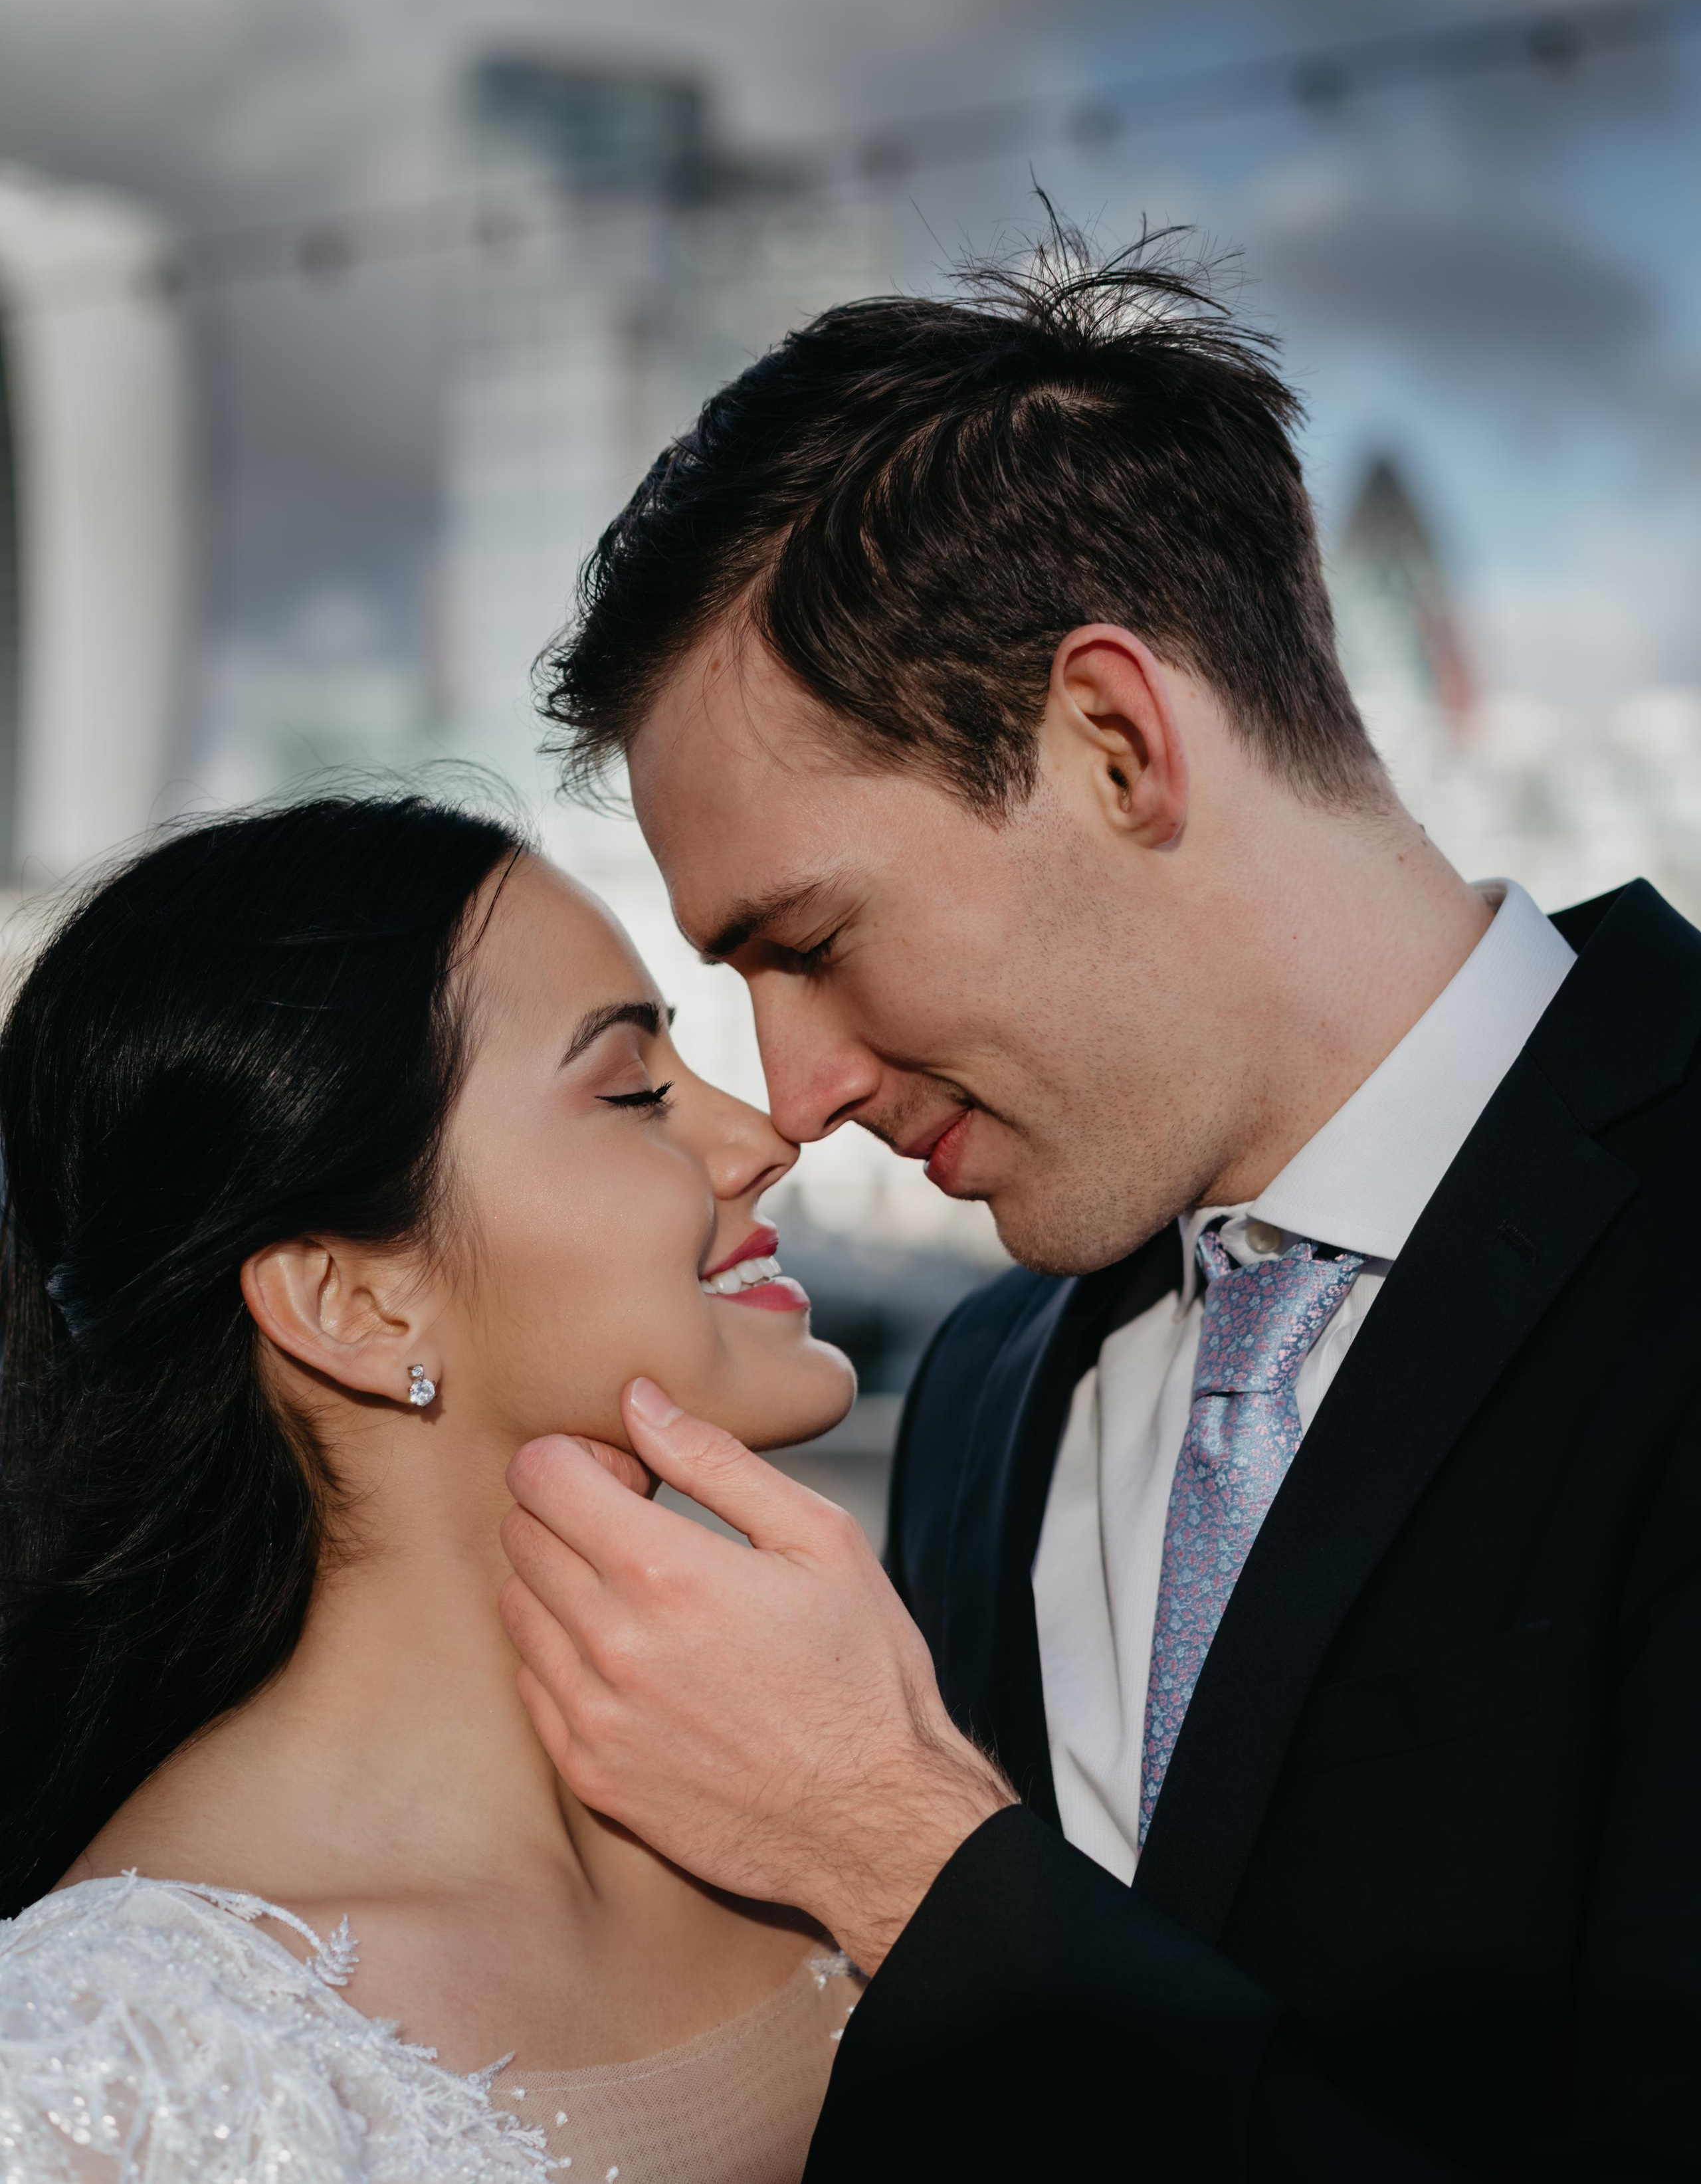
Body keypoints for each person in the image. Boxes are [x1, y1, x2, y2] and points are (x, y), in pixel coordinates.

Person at [501, 229, 1701, 2178]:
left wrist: (895, 1850)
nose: (791, 1089)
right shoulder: (986, 1385)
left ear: (1115, 742)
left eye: (807, 937)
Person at [0, 793, 863, 2183]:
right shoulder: (102, 2066)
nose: (761, 1134)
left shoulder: (841, 1812)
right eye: (633, 1089)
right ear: (349, 1300)